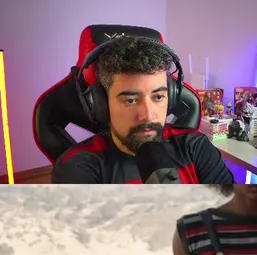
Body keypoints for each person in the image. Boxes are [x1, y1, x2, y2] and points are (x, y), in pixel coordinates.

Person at [52, 36, 234, 184]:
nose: (148, 116)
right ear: (101, 104)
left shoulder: (195, 147)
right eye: (130, 100)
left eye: (158, 97)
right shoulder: (77, 168)